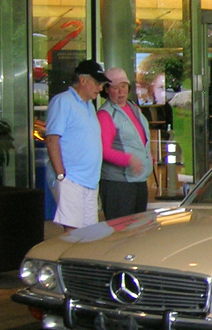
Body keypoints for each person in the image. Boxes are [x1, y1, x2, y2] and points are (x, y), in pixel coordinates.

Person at [45, 59, 109, 231]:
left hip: (89, 180)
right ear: (82, 80)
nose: (100, 88)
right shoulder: (63, 101)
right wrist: (61, 175)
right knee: (73, 233)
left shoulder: (88, 105)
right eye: (96, 83)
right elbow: (52, 139)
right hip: (72, 178)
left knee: (89, 233)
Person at [97, 67, 152, 221]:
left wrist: (149, 157)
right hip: (118, 183)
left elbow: (140, 138)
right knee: (121, 232)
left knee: (138, 229)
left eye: (123, 86)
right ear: (107, 90)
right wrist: (129, 160)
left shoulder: (133, 107)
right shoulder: (105, 114)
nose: (120, 91)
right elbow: (104, 150)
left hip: (138, 179)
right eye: (115, 87)